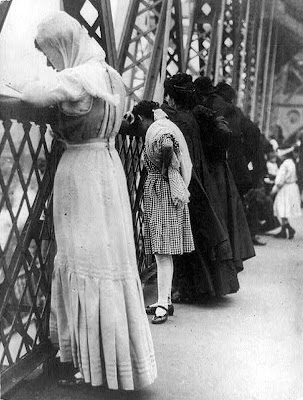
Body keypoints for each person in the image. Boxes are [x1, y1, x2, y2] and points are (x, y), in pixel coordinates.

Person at [20, 11, 156, 390]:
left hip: (80, 172)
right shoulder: (108, 74)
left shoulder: (78, 78)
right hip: (106, 167)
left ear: (62, 45)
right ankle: (113, 365)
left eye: (50, 53)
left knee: (84, 262)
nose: (50, 62)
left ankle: (89, 366)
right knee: (107, 259)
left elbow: (34, 93)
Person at [162, 73, 240, 301]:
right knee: (199, 233)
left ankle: (186, 289)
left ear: (174, 98)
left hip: (188, 180)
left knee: (187, 234)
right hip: (201, 178)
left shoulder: (178, 121)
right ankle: (201, 288)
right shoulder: (192, 117)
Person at [130, 100, 195, 321]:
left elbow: (167, 145)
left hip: (162, 192)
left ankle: (163, 307)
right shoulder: (164, 125)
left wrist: (164, 170)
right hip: (165, 191)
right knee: (163, 250)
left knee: (161, 250)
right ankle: (164, 300)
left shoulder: (157, 130)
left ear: (141, 119)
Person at [271, 144, 302, 239]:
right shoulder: (292, 163)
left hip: (285, 189)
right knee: (283, 209)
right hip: (292, 187)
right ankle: (285, 229)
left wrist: (273, 190)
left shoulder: (285, 165)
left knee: (281, 207)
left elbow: (280, 181)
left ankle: (287, 228)